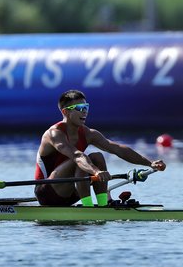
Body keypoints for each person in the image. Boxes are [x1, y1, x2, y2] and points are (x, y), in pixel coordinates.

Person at [34, 89, 166, 207]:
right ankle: (88, 207)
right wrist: (96, 172)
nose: (84, 111)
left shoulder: (88, 133)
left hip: (72, 193)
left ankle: (102, 205)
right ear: (65, 112)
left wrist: (150, 163)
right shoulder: (54, 134)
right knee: (81, 160)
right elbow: (77, 156)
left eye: (86, 107)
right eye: (79, 108)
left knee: (97, 156)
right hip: (47, 193)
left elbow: (117, 148)